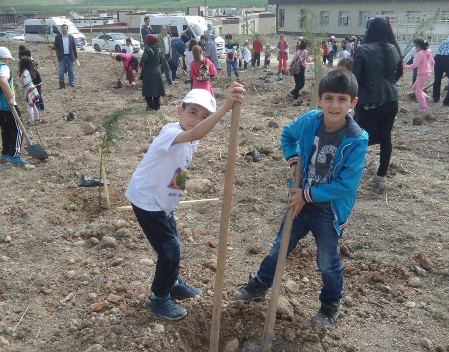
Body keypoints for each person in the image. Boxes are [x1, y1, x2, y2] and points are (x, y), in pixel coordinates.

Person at [233, 69, 368, 327]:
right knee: (279, 247)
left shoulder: (356, 140)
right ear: (319, 100)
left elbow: (346, 185)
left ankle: (329, 306)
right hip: (300, 202)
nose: (335, 105)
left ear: (353, 103)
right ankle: (259, 285)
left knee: (327, 261)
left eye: (342, 99)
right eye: (329, 98)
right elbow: (287, 135)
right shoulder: (308, 122)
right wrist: (293, 159)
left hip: (328, 210)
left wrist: (307, 195)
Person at [126, 84, 245, 321]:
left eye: (204, 117)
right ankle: (159, 298)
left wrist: (174, 197)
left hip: (162, 202)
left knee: (174, 243)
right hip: (146, 200)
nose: (196, 120)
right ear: (179, 111)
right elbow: (195, 134)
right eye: (192, 113)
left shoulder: (191, 139)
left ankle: (174, 283)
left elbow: (181, 167)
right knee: (169, 249)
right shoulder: (170, 133)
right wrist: (225, 108)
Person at [352, 17, 402, 190]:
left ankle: (352, 175)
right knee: (386, 137)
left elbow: (354, 78)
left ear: (370, 30)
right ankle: (381, 177)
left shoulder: (363, 50)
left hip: (369, 101)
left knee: (358, 139)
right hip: (391, 99)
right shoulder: (394, 49)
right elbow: (397, 75)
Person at [0, 47, 25, 166]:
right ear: (5, 58)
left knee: (6, 129)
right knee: (18, 128)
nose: (9, 61)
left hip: (1, 107)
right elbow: (3, 82)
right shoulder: (3, 67)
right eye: (9, 59)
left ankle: (5, 153)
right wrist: (11, 98)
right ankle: (15, 155)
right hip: (7, 105)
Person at [404, 38, 434, 112]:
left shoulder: (420, 53)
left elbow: (414, 65)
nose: (415, 47)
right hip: (426, 73)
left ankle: (424, 107)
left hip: (422, 73)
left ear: (419, 46)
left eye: (416, 45)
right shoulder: (427, 53)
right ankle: (426, 98)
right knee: (414, 88)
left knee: (418, 91)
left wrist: (404, 66)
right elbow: (433, 62)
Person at [140, 34, 165, 111]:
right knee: (157, 90)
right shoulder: (159, 49)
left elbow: (143, 60)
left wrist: (141, 63)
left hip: (148, 73)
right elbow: (161, 61)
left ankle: (150, 107)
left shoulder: (147, 50)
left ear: (148, 41)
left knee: (148, 91)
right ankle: (157, 106)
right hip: (157, 72)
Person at [19, 48, 44, 114]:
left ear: (27, 56)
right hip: (35, 81)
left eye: (23, 56)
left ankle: (39, 107)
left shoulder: (30, 62)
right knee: (37, 95)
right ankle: (40, 107)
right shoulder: (30, 61)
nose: (22, 57)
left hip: (36, 81)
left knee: (37, 95)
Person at [53, 24, 78, 88]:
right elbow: (56, 46)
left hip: (70, 56)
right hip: (62, 57)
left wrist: (75, 56)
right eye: (63, 28)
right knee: (61, 71)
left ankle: (71, 83)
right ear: (61, 29)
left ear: (67, 29)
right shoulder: (58, 37)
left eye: (65, 28)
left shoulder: (71, 37)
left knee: (71, 71)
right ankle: (62, 84)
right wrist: (52, 47)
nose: (64, 29)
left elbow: (74, 47)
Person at [18, 57, 41, 124]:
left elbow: (22, 80)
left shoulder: (24, 72)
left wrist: (20, 81)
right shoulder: (28, 70)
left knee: (30, 105)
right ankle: (37, 118)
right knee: (33, 105)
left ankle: (31, 120)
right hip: (31, 87)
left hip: (28, 88)